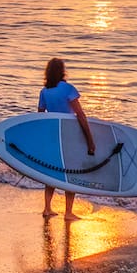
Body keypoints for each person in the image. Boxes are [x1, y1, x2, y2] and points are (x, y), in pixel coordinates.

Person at [37, 58, 96, 221]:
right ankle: (68, 212)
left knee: (52, 171)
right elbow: (81, 115)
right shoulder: (68, 89)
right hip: (69, 136)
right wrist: (90, 140)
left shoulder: (44, 91)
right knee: (70, 171)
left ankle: (47, 208)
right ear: (62, 71)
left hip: (51, 136)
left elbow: (40, 116)